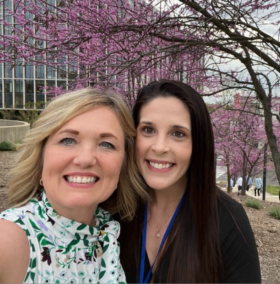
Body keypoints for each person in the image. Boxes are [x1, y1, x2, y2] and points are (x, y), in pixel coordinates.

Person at [118, 80, 261, 283]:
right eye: (148, 130)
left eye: (178, 134)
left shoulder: (227, 220)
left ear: (198, 144)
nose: (159, 147)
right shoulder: (115, 210)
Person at [0, 88, 147, 283]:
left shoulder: (111, 232)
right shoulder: (9, 240)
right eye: (68, 140)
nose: (85, 159)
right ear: (41, 157)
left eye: (106, 144)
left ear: (123, 167)